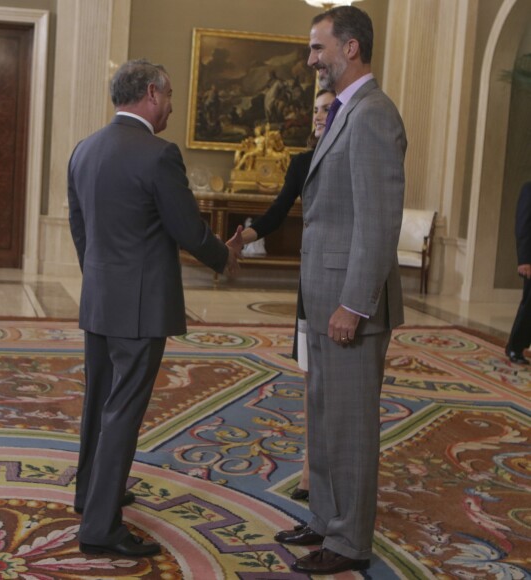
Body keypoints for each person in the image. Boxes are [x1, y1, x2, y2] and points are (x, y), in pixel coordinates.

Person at [67, 59, 243, 559]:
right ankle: (100, 529)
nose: (170, 106)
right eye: (168, 96)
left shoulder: (84, 150)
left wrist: (101, 277)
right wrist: (223, 257)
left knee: (98, 403)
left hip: (100, 298)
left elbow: (80, 227)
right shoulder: (159, 154)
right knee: (122, 411)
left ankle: (89, 494)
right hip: (141, 309)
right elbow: (187, 230)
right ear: (150, 93)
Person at [274, 6, 406, 576]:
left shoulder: (374, 115)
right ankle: (326, 520)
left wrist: (354, 303)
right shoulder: (343, 113)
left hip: (350, 303)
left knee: (351, 425)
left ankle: (350, 541)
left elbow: (378, 223)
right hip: (324, 297)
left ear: (349, 48)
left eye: (317, 48)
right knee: (325, 414)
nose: (310, 60)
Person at [241, 89, 336, 501]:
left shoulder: (350, 157)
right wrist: (240, 238)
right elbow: (278, 212)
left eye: (327, 109)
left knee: (339, 385)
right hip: (311, 283)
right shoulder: (301, 163)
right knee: (313, 382)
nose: (318, 116)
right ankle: (310, 471)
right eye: (316, 109)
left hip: (343, 280)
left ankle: (335, 471)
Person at [505, 181, 531, 364]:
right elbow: (523, 226)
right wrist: (524, 260)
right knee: (530, 305)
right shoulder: (529, 189)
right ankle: (515, 347)